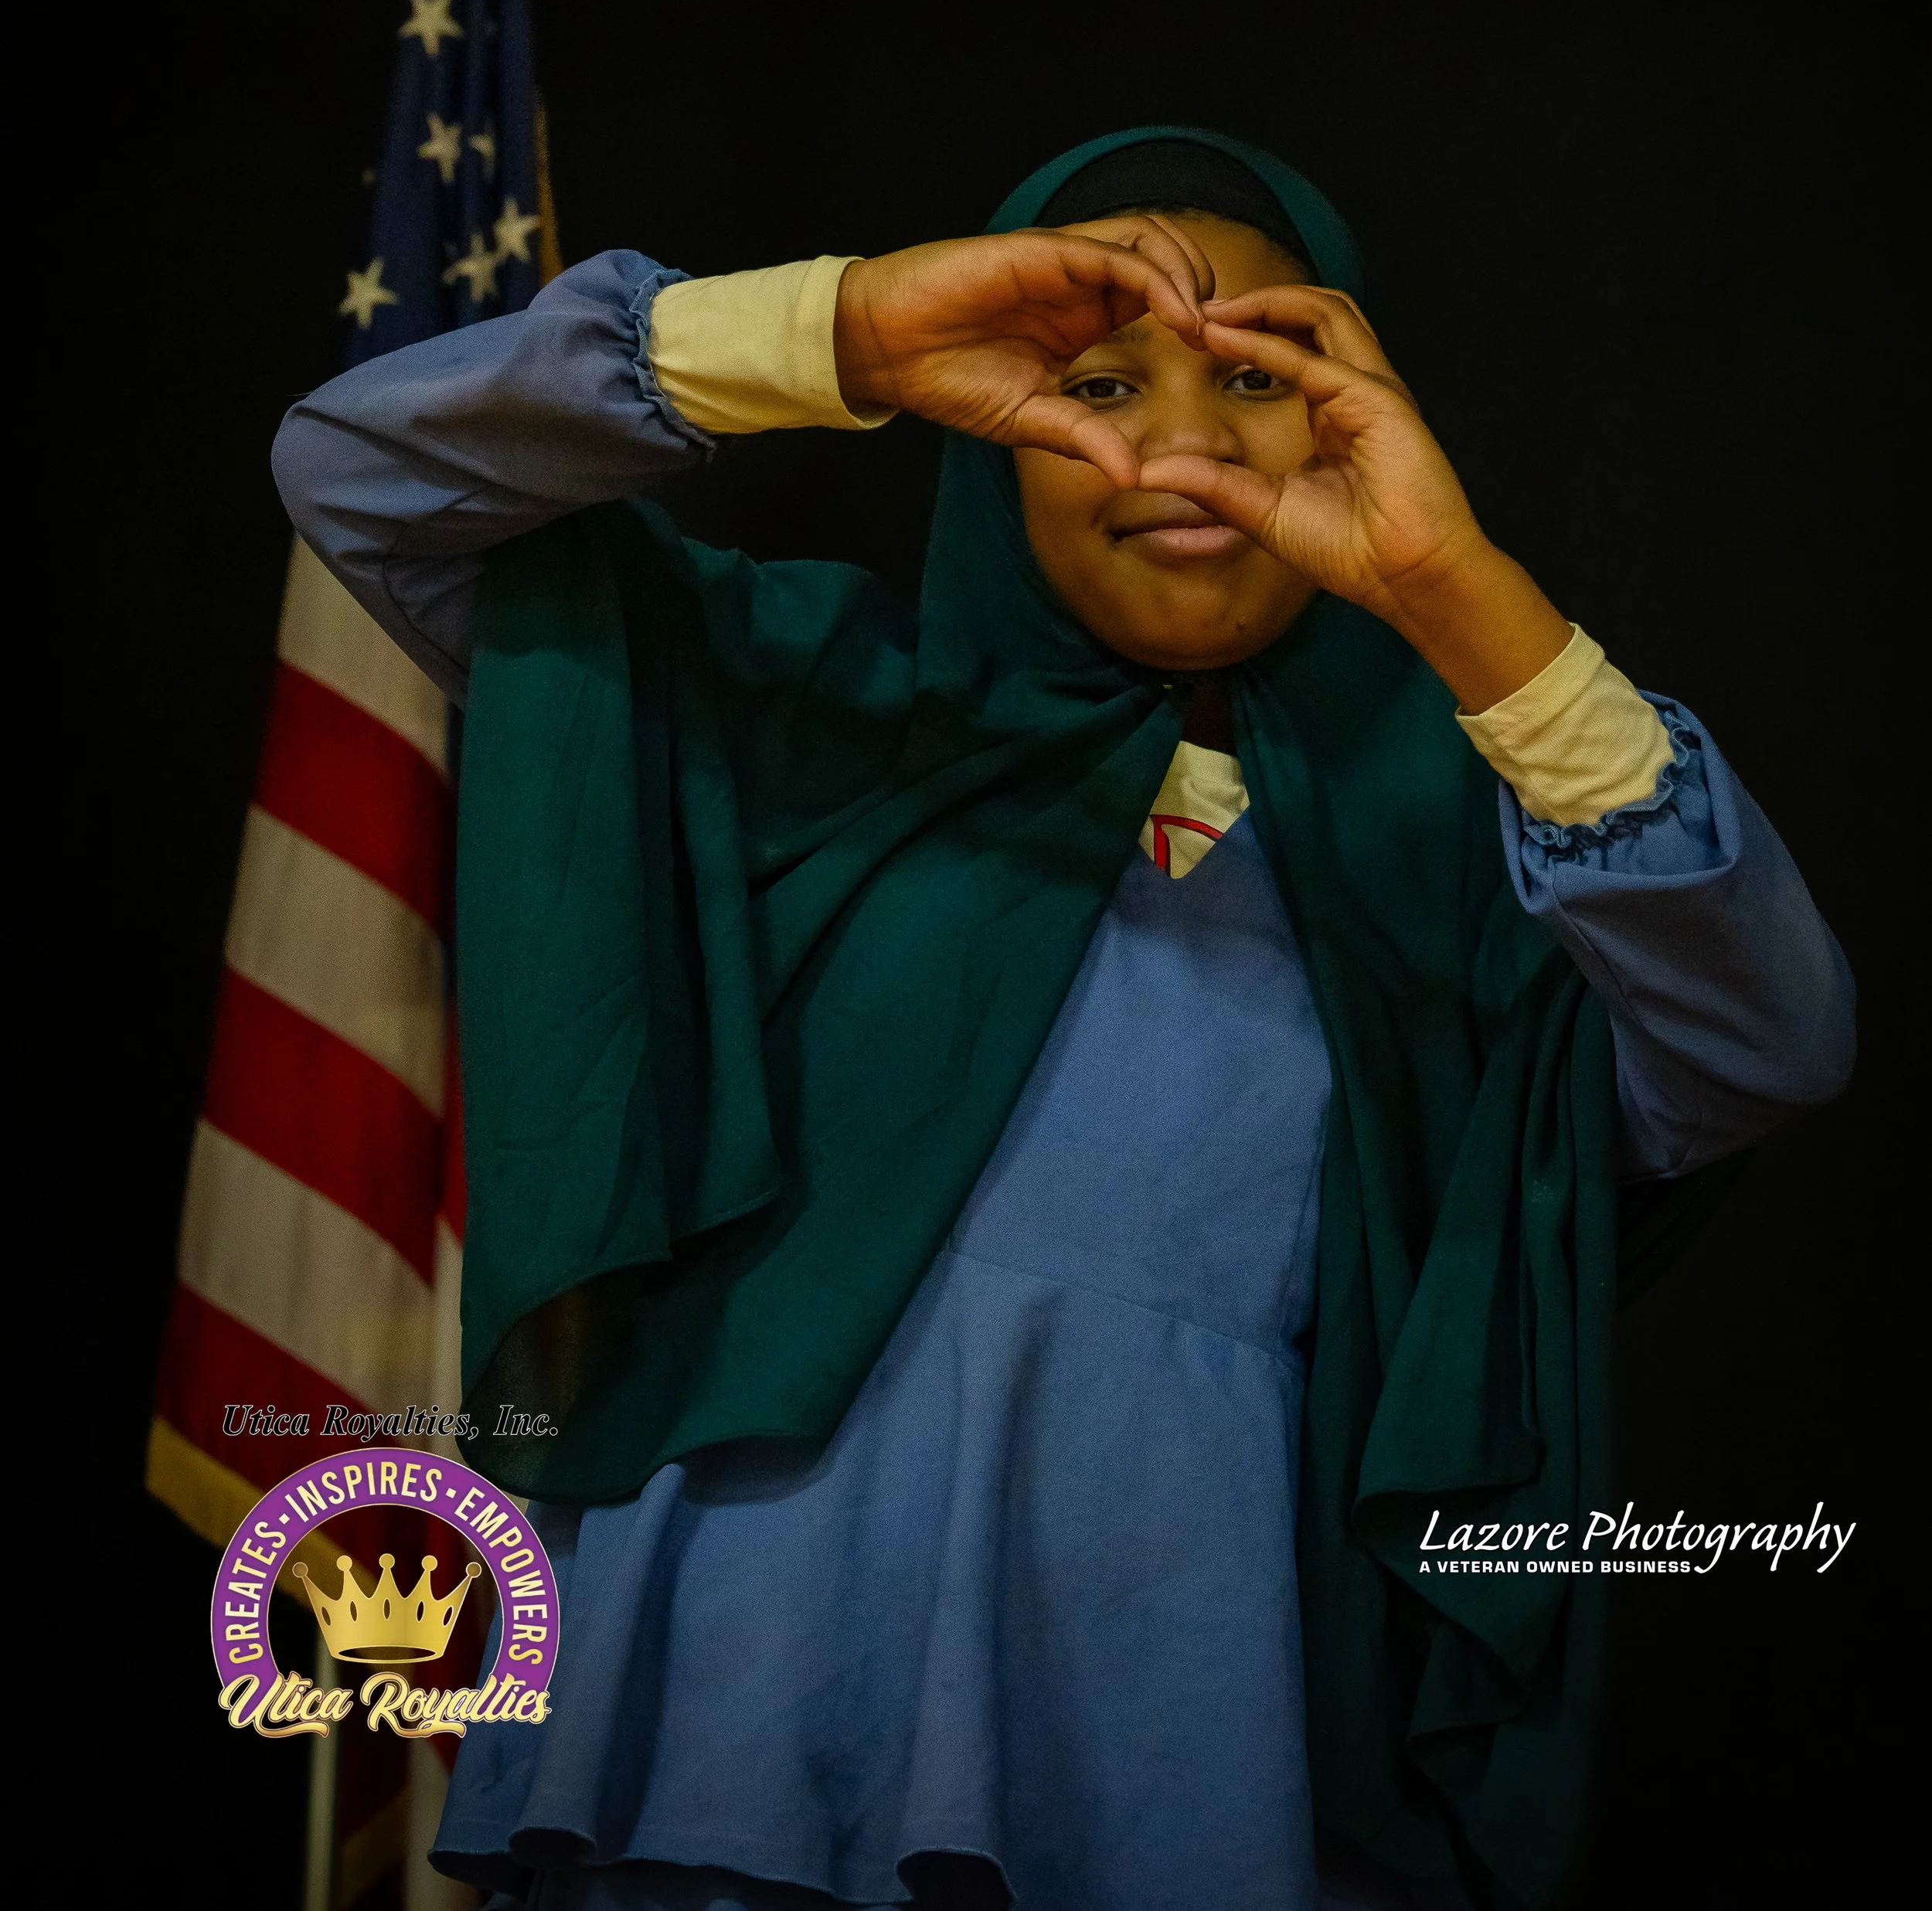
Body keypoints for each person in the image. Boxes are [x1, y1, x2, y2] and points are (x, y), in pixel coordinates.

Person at [274, 127, 1854, 1911]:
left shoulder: (1472, 875)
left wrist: (1455, 599)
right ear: (990, 435)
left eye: (1260, 378)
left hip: (1180, 1706)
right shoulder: (792, 712)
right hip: (740, 1670)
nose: (1180, 441)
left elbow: (1767, 1044)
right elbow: (364, 470)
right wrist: (851, 333)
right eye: (1097, 380)